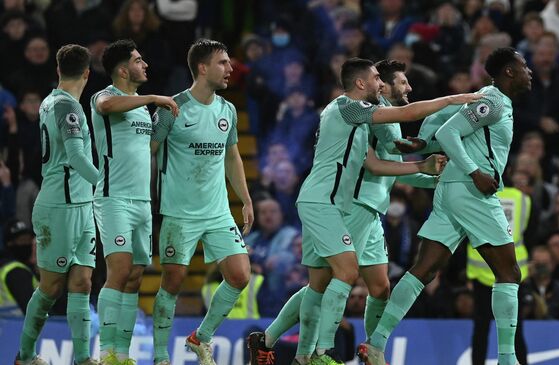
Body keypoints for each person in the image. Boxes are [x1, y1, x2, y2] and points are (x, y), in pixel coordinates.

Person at [247, 59, 442, 365]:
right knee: (330, 280)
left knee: (377, 287)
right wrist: (458, 103)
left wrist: (429, 175)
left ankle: (361, 349)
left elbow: (387, 165)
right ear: (382, 85)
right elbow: (383, 161)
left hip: (363, 207)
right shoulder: (369, 114)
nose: (408, 88)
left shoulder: (376, 118)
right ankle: (316, 352)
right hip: (351, 205)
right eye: (401, 82)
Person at [358, 47, 533, 365]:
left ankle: (376, 342)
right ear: (509, 72)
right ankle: (508, 359)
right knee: (508, 272)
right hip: (470, 191)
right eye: (523, 67)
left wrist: (423, 142)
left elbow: (443, 121)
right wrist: (475, 172)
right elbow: (449, 130)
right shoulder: (492, 100)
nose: (529, 72)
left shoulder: (488, 98)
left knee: (423, 270)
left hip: (450, 190)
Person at [150, 39, 254, 365]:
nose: (230, 68)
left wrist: (246, 200)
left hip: (218, 211)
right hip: (179, 213)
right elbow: (147, 152)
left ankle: (201, 337)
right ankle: (159, 356)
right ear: (202, 67)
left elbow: (232, 156)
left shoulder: (227, 109)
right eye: (223, 63)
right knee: (173, 281)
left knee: (240, 276)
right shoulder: (172, 108)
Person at [91, 39, 178, 365]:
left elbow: (149, 150)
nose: (146, 66)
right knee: (120, 269)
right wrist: (156, 97)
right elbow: (106, 108)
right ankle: (106, 351)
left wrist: (162, 123)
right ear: (123, 69)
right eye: (139, 61)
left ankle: (122, 354)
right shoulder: (105, 96)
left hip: (143, 201)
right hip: (113, 198)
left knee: (136, 275)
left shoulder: (140, 109)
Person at [16, 44, 101, 365]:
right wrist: (105, 184)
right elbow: (78, 157)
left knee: (82, 281)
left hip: (80, 205)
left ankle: (81, 358)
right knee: (50, 287)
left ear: (58, 70)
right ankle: (24, 356)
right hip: (59, 207)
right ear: (87, 74)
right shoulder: (68, 108)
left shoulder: (51, 102)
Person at [467, 186, 530, 365]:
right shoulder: (521, 198)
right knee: (515, 330)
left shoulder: (474, 193)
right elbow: (530, 234)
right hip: (513, 273)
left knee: (481, 330)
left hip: (482, 273)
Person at [0, 219, 37, 317]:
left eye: (29, 240)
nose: (27, 244)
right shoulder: (17, 272)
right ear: (10, 244)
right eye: (22, 240)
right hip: (17, 326)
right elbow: (34, 312)